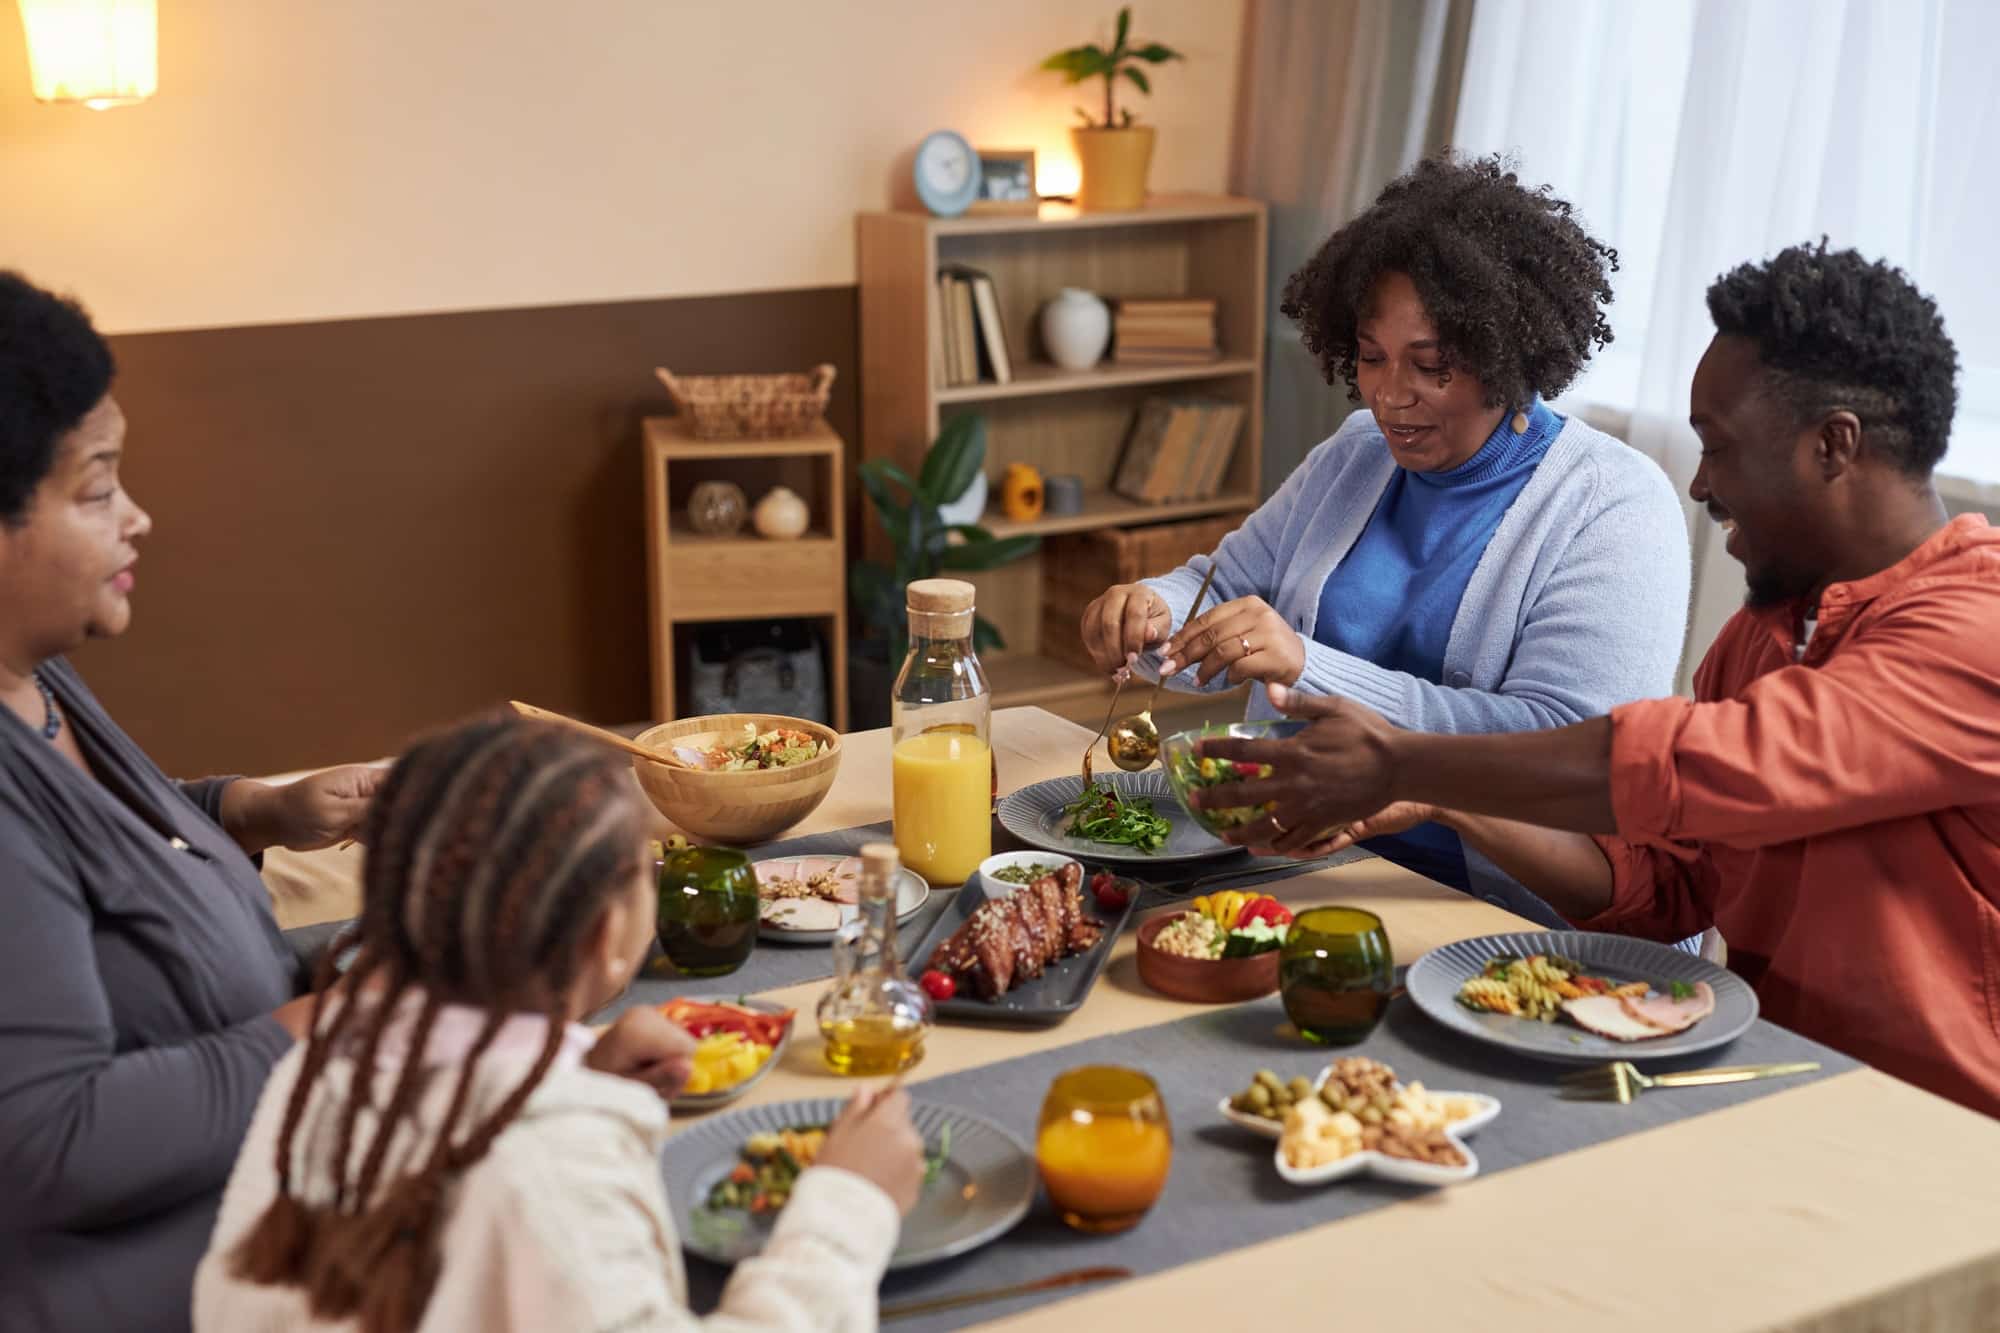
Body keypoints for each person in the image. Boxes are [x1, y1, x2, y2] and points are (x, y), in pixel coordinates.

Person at [1189, 243, 2000, 1118]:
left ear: (1834, 445)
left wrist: (1406, 763)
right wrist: (1445, 803)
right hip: (1776, 1084)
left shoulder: (1974, 628)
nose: (1701, 484)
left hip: (1947, 1137)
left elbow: (1700, 762)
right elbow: (1666, 886)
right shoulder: (1760, 640)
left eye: (1720, 449)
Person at [1079, 153, 1688, 916]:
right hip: (1294, 865)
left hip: (1491, 912)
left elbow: (1558, 744)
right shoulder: (1356, 453)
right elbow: (1229, 585)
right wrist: (1153, 607)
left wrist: (1306, 663)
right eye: (1371, 357)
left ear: (1511, 354)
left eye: (1432, 366)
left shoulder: (1615, 506)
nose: (1391, 395)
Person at [195, 715, 924, 1332]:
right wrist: (844, 1211)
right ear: (607, 936)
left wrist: (572, 1076)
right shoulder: (548, 1176)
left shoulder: (310, 1074)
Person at [0, 272, 387, 1330]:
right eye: (94, 490)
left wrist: (262, 809)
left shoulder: (33, 681)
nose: (138, 518)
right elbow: (51, 1140)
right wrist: (340, 1019)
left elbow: (88, 851)